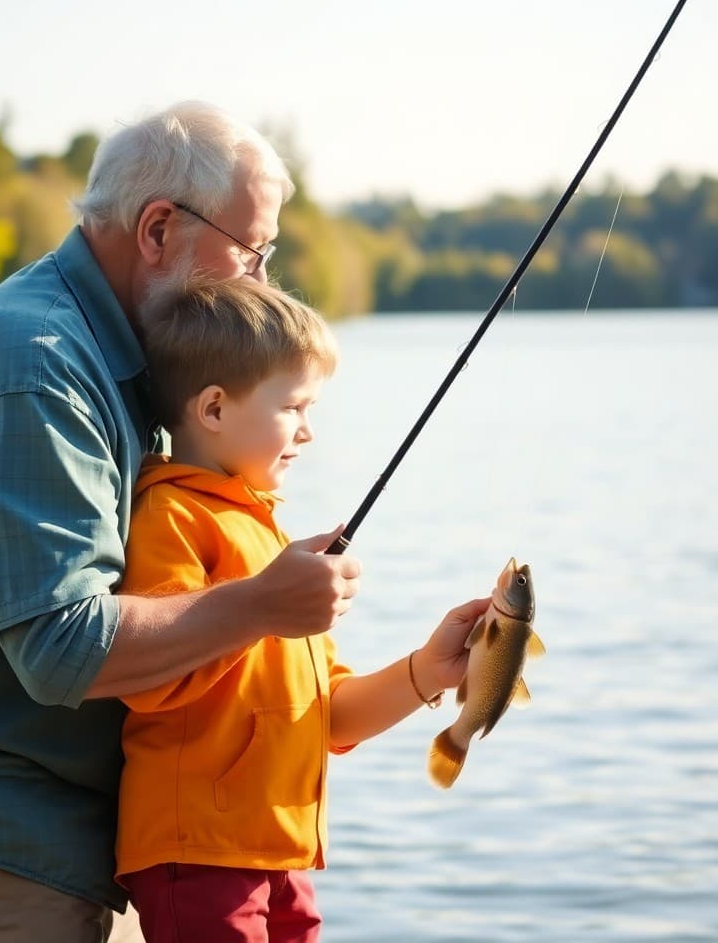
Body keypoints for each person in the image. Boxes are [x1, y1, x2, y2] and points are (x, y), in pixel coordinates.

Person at [0, 102, 364, 943]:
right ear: (157, 228)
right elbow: (63, 647)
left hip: (63, 826)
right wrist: (262, 604)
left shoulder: (114, 356)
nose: (262, 283)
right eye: (252, 251)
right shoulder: (33, 365)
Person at [115, 277, 491, 943]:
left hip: (281, 848)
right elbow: (151, 675)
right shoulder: (170, 516)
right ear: (213, 408)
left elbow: (330, 715)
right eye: (294, 407)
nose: (310, 432)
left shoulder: (267, 535)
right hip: (200, 848)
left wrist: (427, 671)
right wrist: (264, 605)